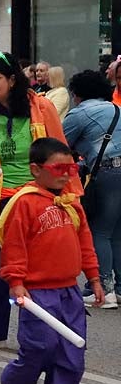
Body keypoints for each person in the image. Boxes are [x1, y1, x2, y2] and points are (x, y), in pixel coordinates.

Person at [0, 50, 73, 349]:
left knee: (40, 268)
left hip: (38, 197)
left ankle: (43, 330)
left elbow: (61, 152)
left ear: (12, 79)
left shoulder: (42, 107)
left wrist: (68, 198)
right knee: (1, 267)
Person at [0, 138, 104, 384]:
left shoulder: (72, 205)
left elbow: (85, 245)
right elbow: (14, 246)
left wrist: (94, 278)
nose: (66, 173)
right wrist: (16, 281)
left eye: (71, 167)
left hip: (68, 291)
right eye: (58, 167)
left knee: (72, 351)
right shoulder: (25, 203)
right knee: (38, 347)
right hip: (36, 293)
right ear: (36, 169)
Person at [62, 70, 121, 308]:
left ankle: (103, 291)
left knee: (100, 230)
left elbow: (59, 143)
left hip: (107, 173)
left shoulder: (79, 113)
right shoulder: (116, 109)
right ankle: (119, 289)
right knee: (118, 233)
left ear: (77, 94)